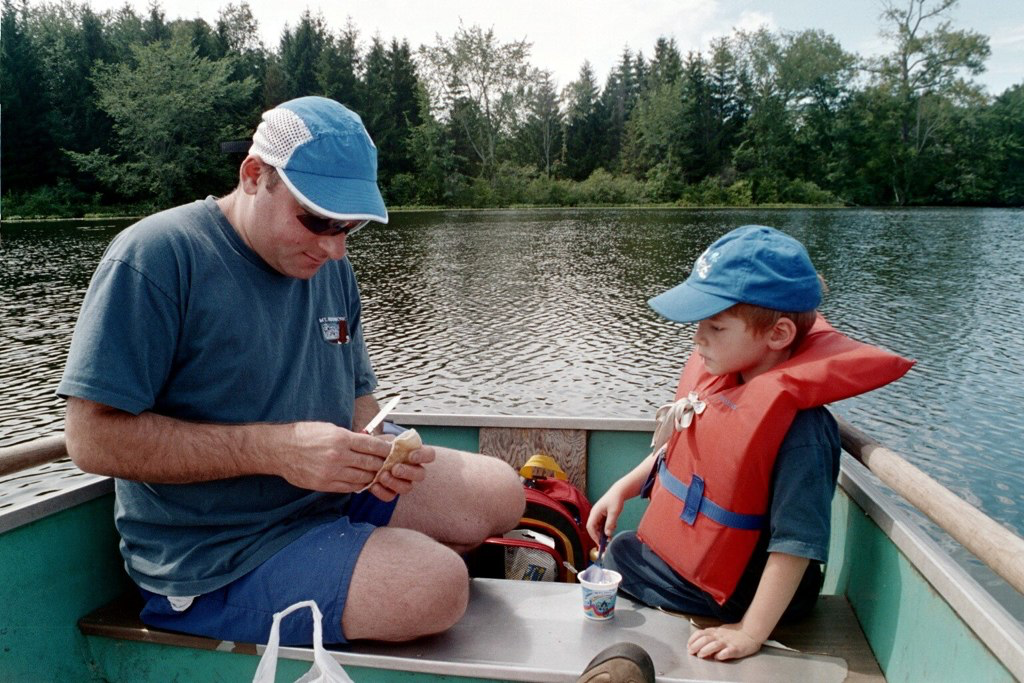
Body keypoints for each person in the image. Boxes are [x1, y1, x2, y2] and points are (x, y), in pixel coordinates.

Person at [58, 96, 525, 646]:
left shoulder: (330, 263)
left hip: (328, 498)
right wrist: (274, 451)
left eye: (349, 226)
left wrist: (380, 452)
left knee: (501, 491)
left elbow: (357, 397)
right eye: (317, 219)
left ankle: (359, 557)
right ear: (254, 176)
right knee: (436, 586)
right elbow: (90, 439)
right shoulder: (156, 256)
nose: (333, 246)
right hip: (217, 554)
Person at [587, 225, 912, 661]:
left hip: (752, 591)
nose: (698, 337)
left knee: (619, 558)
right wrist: (623, 487)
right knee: (625, 548)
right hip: (723, 579)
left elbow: (796, 543)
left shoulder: (802, 431)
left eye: (716, 326)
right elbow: (683, 450)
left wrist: (749, 632)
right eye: (700, 323)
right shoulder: (728, 382)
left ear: (778, 335)